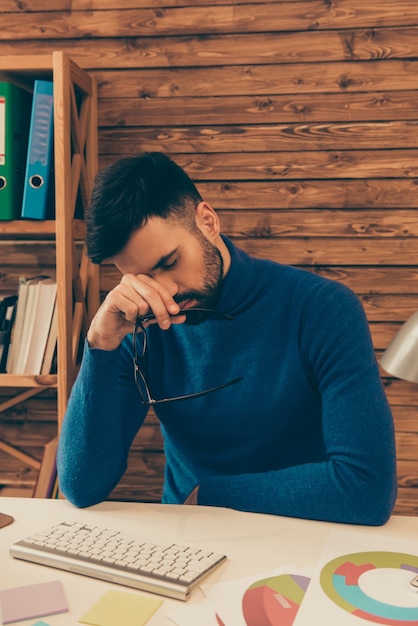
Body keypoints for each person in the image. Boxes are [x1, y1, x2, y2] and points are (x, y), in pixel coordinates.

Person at [57, 151, 397, 525]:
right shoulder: (138, 323)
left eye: (170, 263)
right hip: (189, 538)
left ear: (207, 221)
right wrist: (100, 346)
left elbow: (366, 487)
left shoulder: (322, 308)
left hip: (303, 533)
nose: (165, 293)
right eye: (144, 278)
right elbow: (81, 486)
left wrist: (212, 494)